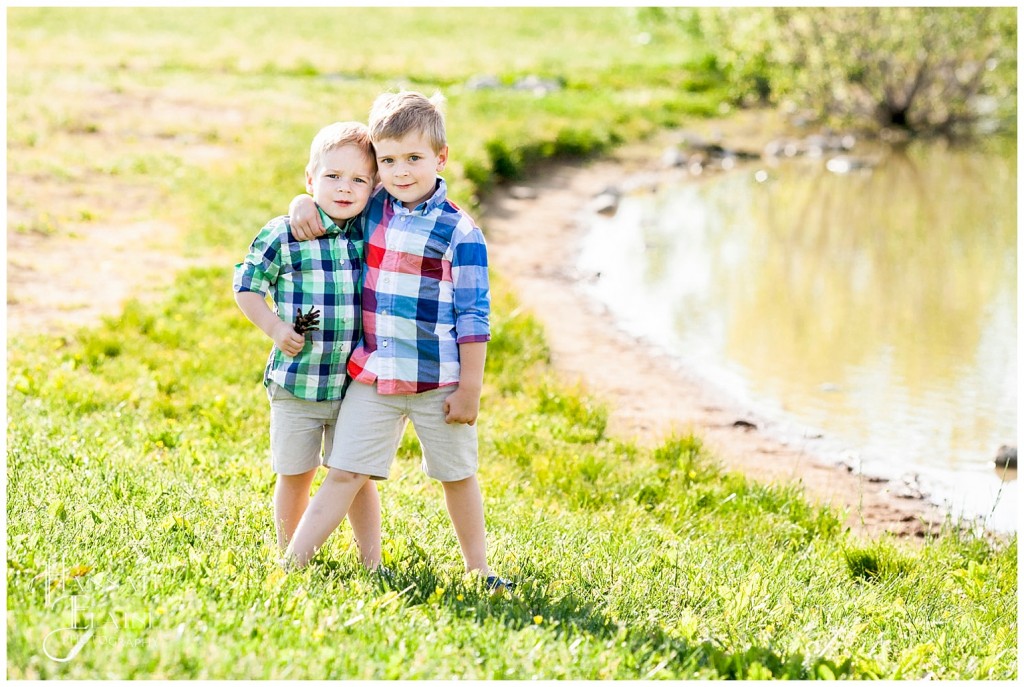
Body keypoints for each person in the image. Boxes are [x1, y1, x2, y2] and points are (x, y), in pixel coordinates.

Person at [285, 91, 511, 590]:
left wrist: (470, 387)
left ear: (441, 157)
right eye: (387, 160)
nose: (400, 171)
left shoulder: (461, 232)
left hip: (439, 379)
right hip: (376, 376)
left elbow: (474, 315)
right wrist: (301, 200)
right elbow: (330, 205)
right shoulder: (374, 207)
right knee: (345, 470)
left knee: (457, 474)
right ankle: (291, 565)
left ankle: (479, 569)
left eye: (413, 158)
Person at [233, 121, 382, 569]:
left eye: (358, 180)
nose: (344, 188)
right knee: (295, 472)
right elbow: (246, 286)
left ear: (372, 188)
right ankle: (289, 551)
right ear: (310, 178)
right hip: (296, 382)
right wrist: (276, 328)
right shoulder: (285, 233)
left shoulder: (367, 231)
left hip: (353, 385)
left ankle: (371, 560)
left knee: (355, 476)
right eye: (332, 176)